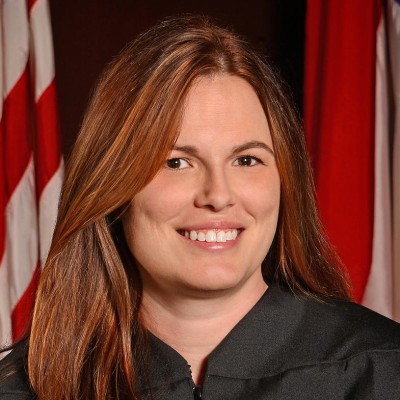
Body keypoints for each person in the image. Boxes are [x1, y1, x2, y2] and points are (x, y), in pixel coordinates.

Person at [1, 14, 400, 400]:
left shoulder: (381, 373)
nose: (218, 195)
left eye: (247, 160)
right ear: (115, 188)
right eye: (177, 162)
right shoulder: (27, 389)